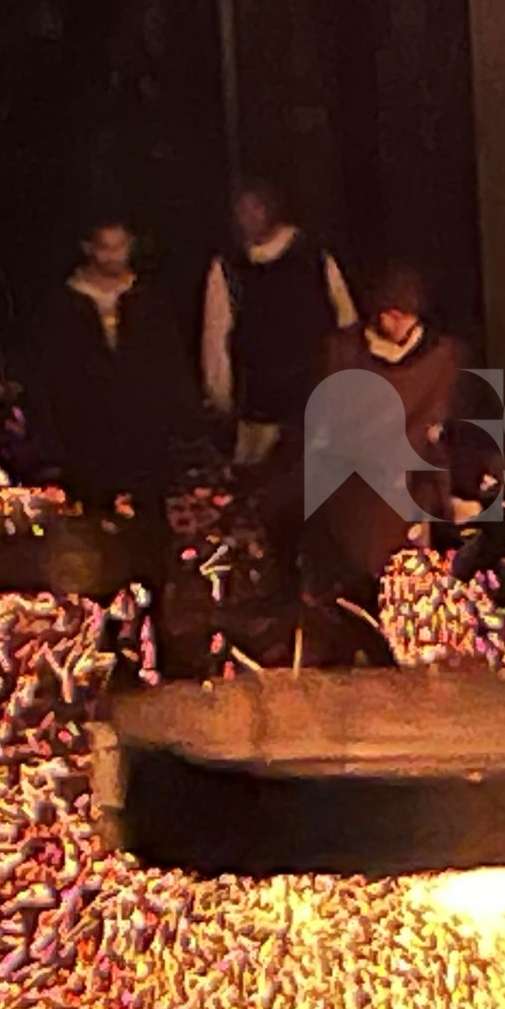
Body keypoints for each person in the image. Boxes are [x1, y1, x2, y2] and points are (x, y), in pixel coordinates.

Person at [299, 261, 463, 663]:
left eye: (404, 314)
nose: (395, 323)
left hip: (408, 491)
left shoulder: (441, 358)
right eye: (388, 313)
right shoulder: (343, 353)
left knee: (403, 591)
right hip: (352, 489)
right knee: (349, 589)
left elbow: (437, 427)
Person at [25, 216, 199, 517]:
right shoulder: (65, 305)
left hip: (145, 440)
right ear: (88, 248)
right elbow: (51, 376)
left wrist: (179, 423)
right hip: (86, 439)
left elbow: (170, 367)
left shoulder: (148, 300)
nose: (113, 256)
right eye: (105, 247)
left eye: (120, 247)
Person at [201, 180, 358, 468]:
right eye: (242, 212)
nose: (248, 218)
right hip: (261, 399)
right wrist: (220, 393)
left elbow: (346, 321)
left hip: (316, 392)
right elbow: (216, 335)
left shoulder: (314, 256)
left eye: (255, 209)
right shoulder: (229, 268)